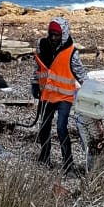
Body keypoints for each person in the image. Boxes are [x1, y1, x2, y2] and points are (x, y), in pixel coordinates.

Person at [32, 18, 83, 169]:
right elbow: (37, 67)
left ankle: (68, 164)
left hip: (64, 97)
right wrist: (34, 85)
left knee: (61, 128)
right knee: (44, 127)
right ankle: (44, 158)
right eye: (51, 34)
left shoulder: (72, 53)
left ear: (64, 34)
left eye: (57, 35)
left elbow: (81, 74)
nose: (53, 38)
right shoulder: (42, 46)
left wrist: (92, 93)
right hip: (46, 95)